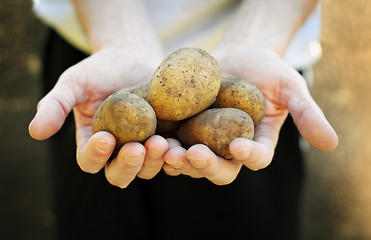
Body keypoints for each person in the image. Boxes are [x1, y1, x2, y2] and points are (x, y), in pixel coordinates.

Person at [29, 0, 338, 239]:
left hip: (264, 64)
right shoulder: (122, 99)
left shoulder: (245, 96)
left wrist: (257, 38)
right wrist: (120, 35)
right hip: (99, 61)